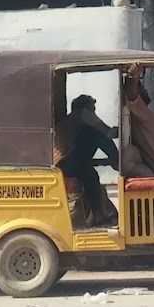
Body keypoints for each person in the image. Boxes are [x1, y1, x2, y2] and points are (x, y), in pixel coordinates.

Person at [56, 94, 119, 226]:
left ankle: (98, 213)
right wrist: (126, 128)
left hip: (66, 161)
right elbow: (108, 133)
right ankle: (118, 162)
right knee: (96, 134)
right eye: (93, 108)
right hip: (65, 161)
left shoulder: (72, 121)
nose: (95, 111)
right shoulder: (83, 114)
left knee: (91, 174)